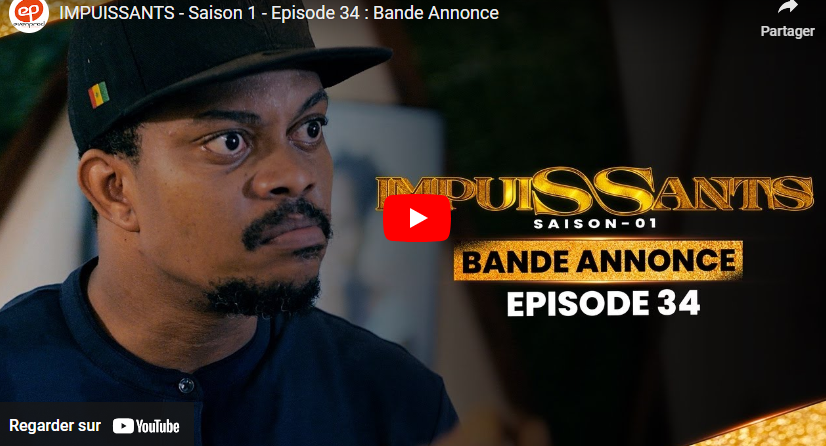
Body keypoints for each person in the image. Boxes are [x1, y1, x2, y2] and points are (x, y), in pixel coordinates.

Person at [0, 1, 551, 445]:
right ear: (113, 189)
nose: (296, 175)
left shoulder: (394, 400)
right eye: (229, 141)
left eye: (309, 128)